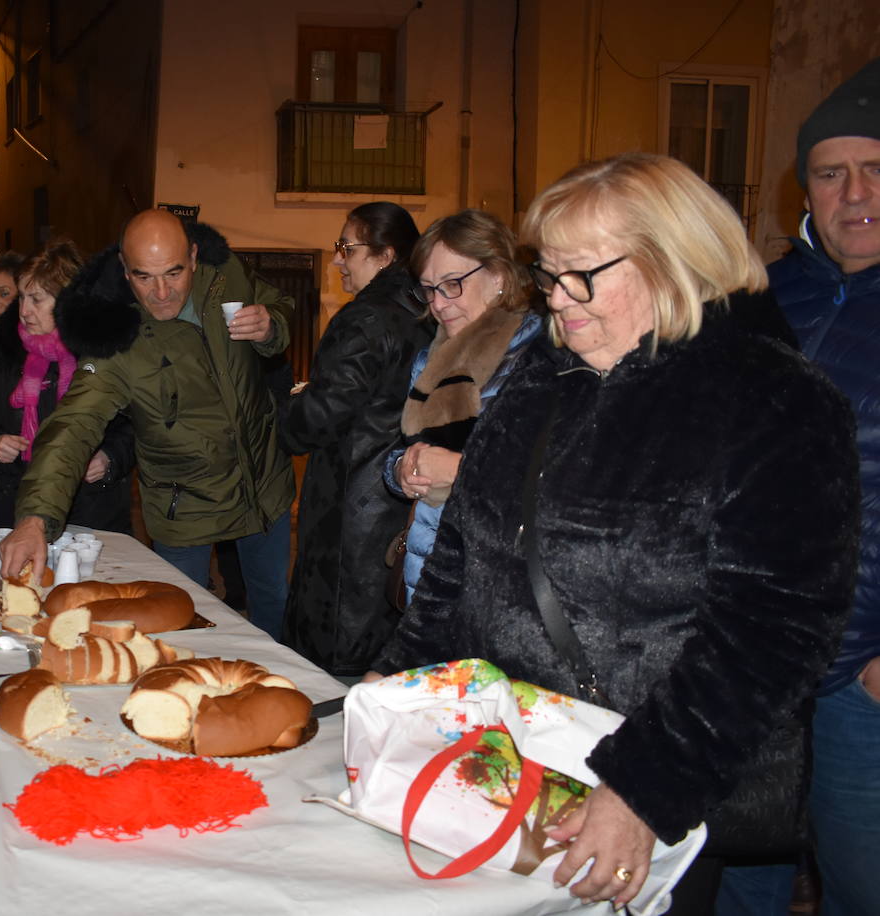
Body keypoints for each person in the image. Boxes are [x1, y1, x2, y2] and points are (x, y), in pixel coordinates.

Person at [368, 153, 859, 911]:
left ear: (674, 264)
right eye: (548, 273)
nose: (558, 300)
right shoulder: (543, 374)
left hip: (647, 792)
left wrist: (641, 790)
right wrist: (399, 683)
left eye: (581, 275)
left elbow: (771, 631)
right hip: (504, 760)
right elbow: (464, 553)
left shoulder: (771, 398)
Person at [0, 209, 296, 639]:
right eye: (143, 277)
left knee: (273, 607)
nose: (160, 293)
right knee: (177, 626)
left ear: (194, 256)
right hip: (185, 505)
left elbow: (279, 304)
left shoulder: (226, 273)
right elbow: (72, 427)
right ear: (123, 267)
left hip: (264, 484)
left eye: (173, 273)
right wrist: (34, 518)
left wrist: (271, 327)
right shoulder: (113, 337)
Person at [769, 55, 880, 916]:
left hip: (861, 679)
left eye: (876, 169)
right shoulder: (764, 300)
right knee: (736, 875)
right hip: (750, 663)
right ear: (804, 191)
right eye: (831, 173)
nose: (854, 193)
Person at [278, 202, 431, 676]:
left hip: (352, 510)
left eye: (347, 247)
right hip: (396, 501)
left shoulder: (365, 319)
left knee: (335, 651)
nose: (338, 259)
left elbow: (322, 414)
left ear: (385, 255)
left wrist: (286, 415)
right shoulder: (424, 310)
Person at [383, 210, 542, 605]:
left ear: (499, 276)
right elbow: (399, 449)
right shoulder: (430, 359)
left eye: (452, 284)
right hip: (429, 565)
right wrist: (401, 470)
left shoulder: (536, 355)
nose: (438, 303)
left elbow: (547, 474)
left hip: (498, 577)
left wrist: (458, 471)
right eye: (428, 289)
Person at [0, 239, 134, 534]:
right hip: (7, 505)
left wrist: (109, 457)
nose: (23, 311)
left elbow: (136, 423)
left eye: (36, 299)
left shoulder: (104, 346)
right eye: (22, 296)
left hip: (89, 509)